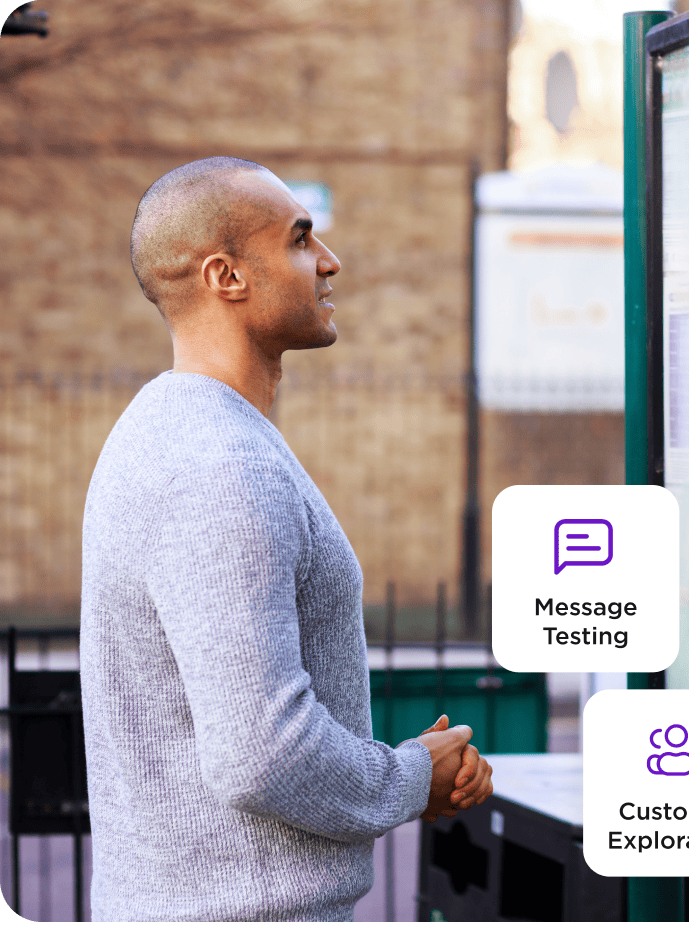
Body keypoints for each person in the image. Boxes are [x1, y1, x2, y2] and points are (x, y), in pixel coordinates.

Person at [79, 156, 493, 921]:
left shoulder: (175, 431)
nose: (330, 262)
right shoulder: (219, 466)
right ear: (226, 276)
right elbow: (260, 752)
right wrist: (408, 778)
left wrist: (397, 771)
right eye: (301, 241)